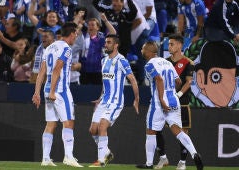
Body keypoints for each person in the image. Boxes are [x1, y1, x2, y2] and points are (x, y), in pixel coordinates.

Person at [136, 41, 203, 170]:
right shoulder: (167, 62)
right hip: (173, 98)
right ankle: (194, 153)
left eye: (143, 49)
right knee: (178, 131)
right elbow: (178, 81)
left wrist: (161, 98)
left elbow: (159, 79)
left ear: (149, 51)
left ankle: (149, 164)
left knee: (151, 131)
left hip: (159, 101)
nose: (141, 51)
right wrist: (170, 92)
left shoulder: (149, 64)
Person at [32, 22, 83, 167]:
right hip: (60, 90)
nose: (76, 38)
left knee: (51, 124)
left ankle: (46, 158)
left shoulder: (48, 48)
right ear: (72, 34)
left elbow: (41, 72)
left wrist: (37, 92)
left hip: (47, 89)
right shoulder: (66, 48)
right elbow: (57, 69)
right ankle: (68, 156)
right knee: (69, 121)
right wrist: (54, 91)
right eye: (76, 35)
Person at [88, 34, 139, 167]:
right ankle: (106, 152)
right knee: (93, 130)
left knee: (102, 125)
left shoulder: (122, 60)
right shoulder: (104, 60)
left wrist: (136, 99)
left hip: (115, 101)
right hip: (104, 101)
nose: (106, 44)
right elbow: (105, 83)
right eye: (105, 42)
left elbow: (132, 79)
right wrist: (100, 98)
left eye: (109, 42)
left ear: (116, 45)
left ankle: (101, 161)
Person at [154, 35, 195, 170]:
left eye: (171, 44)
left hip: (181, 103)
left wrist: (178, 94)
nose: (169, 46)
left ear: (179, 46)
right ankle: (163, 158)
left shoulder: (188, 63)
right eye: (169, 44)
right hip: (164, 104)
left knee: (183, 132)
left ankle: (182, 162)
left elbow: (189, 81)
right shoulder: (164, 62)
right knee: (156, 129)